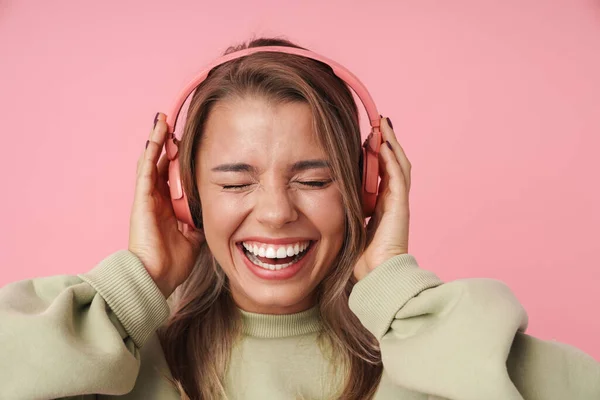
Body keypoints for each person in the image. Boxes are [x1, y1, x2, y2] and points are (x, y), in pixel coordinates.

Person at [0, 37, 598, 400]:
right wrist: (135, 284)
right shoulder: (112, 358)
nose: (277, 211)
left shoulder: (432, 354)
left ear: (368, 190)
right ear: (184, 196)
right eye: (236, 181)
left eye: (314, 180)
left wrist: (394, 281)